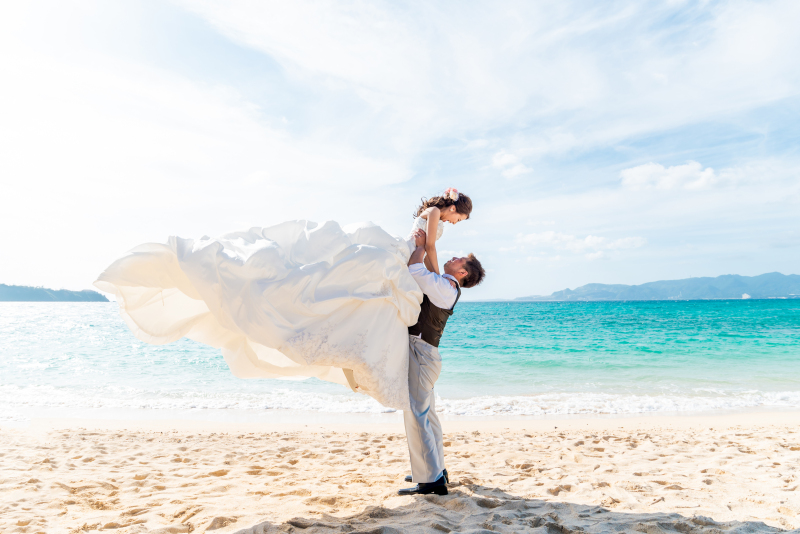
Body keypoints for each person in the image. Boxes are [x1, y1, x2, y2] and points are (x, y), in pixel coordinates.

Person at [94, 189, 473, 412]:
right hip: (401, 258)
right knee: (341, 288)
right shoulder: (435, 213)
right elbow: (432, 246)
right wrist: (438, 276)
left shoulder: (430, 213)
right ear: (453, 207)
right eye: (460, 218)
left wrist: (425, 268)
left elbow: (425, 249)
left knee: (349, 294)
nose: (454, 223)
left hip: (401, 258)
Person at [398, 228, 485, 496]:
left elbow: (414, 269)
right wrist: (426, 249)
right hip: (425, 354)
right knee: (427, 415)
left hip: (422, 354)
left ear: (463, 273)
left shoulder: (446, 288)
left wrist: (421, 246)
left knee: (417, 413)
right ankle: (435, 469)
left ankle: (432, 480)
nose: (455, 257)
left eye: (460, 259)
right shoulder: (445, 285)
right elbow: (425, 271)